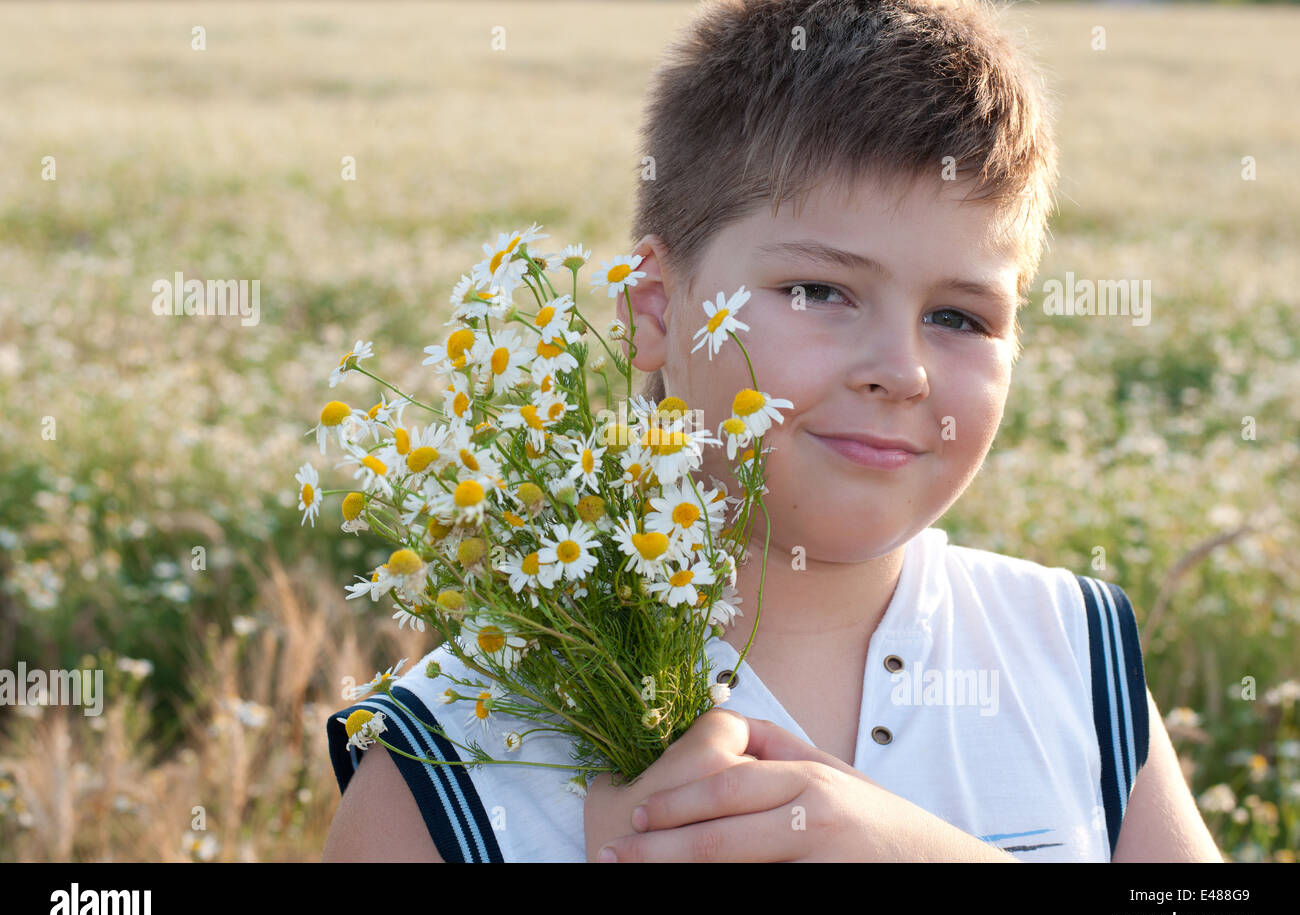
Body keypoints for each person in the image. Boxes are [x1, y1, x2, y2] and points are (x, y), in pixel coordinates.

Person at [321, 0, 1222, 863]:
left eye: (960, 317)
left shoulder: (1073, 650)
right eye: (819, 291)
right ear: (655, 310)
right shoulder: (454, 755)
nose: (900, 371)